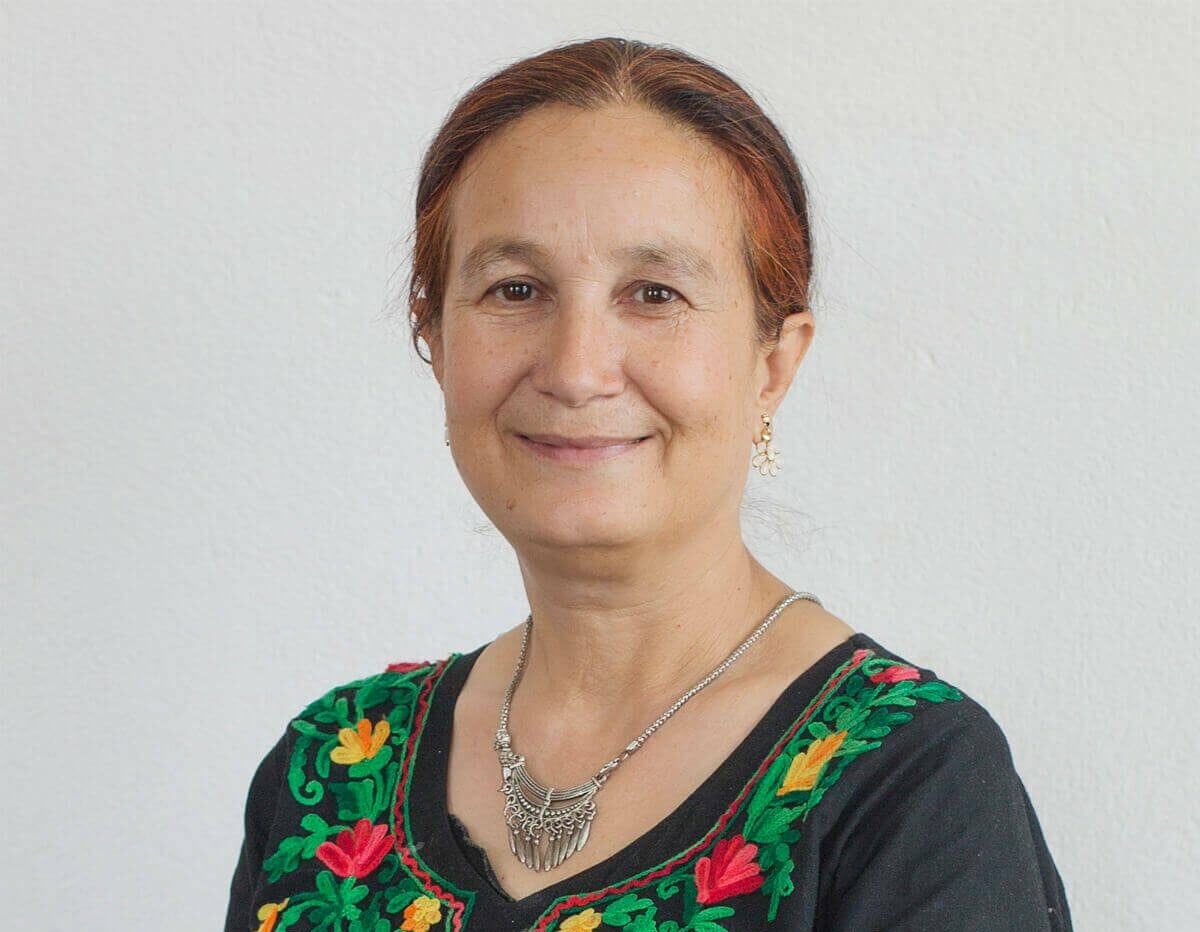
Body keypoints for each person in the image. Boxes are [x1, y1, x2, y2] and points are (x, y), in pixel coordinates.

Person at [224, 36, 1072, 932]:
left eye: (655, 293)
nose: (576, 370)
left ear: (773, 363)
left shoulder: (906, 780)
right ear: (435, 341)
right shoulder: (333, 770)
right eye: (516, 290)